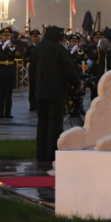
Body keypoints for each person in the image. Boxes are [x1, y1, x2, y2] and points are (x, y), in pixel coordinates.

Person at [33, 25, 81, 164]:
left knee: (42, 123)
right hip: (56, 90)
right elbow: (69, 68)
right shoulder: (59, 49)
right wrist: (77, 84)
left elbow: (33, 69)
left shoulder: (38, 48)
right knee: (55, 123)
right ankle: (52, 153)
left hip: (41, 90)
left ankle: (41, 153)